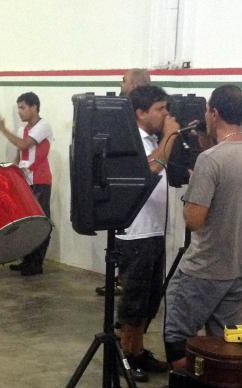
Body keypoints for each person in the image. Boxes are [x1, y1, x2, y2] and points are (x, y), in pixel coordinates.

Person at [155, 85, 242, 388]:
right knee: (226, 341)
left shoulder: (210, 161)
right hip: (241, 266)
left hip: (204, 269)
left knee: (177, 336)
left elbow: (194, 219)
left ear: (213, 112)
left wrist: (194, 185)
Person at [115, 86, 180, 381]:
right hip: (136, 233)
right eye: (160, 109)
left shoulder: (154, 138)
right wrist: (169, 137)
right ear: (140, 113)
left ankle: (138, 351)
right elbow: (149, 168)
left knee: (151, 298)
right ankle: (126, 357)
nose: (166, 114)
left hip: (154, 230)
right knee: (134, 299)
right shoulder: (133, 140)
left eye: (166, 108)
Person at [96, 67, 153, 297]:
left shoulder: (143, 127)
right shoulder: (121, 116)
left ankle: (125, 284)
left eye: (124, 81)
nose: (121, 85)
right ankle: (120, 281)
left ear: (135, 85)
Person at [0, 91, 55, 276]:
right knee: (27, 223)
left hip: (40, 180)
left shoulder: (43, 125)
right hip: (25, 182)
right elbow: (20, 153)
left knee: (41, 223)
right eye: (18, 108)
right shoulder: (22, 128)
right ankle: (27, 259)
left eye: (23, 107)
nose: (19, 112)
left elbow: (24, 145)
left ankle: (37, 263)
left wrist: (3, 129)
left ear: (34, 107)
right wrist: (12, 171)